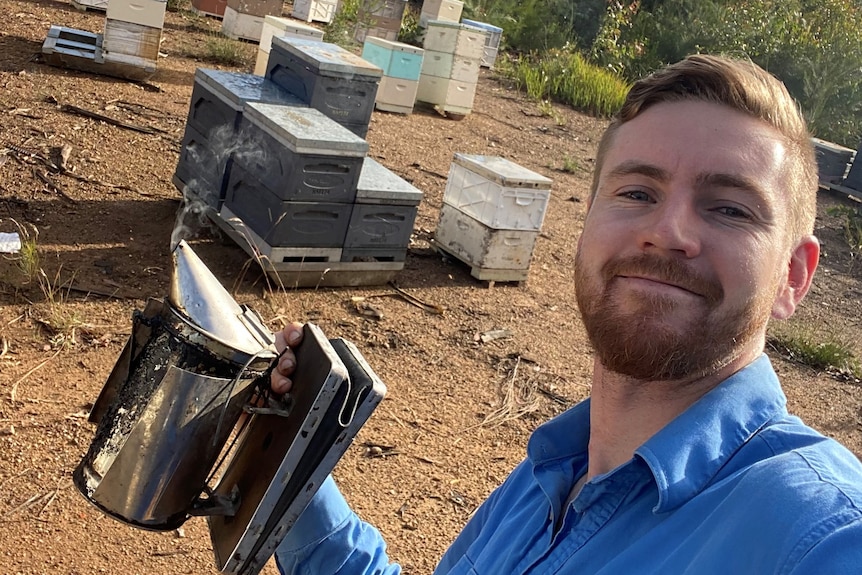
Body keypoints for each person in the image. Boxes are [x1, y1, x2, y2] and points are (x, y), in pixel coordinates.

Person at [268, 54, 862, 574]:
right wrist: (294, 460)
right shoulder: (552, 471)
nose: (667, 231)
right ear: (585, 228)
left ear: (794, 275)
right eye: (637, 193)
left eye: (730, 209)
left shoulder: (821, 533)